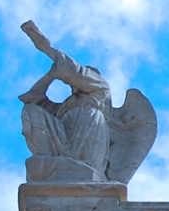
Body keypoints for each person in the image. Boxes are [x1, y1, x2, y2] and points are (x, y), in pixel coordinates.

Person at [18, 20, 112, 177]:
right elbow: (33, 99)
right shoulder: (65, 106)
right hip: (65, 132)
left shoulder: (101, 88)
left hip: (88, 128)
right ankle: (48, 159)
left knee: (83, 167)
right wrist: (51, 75)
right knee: (31, 110)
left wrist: (48, 50)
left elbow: (76, 72)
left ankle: (79, 167)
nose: (76, 84)